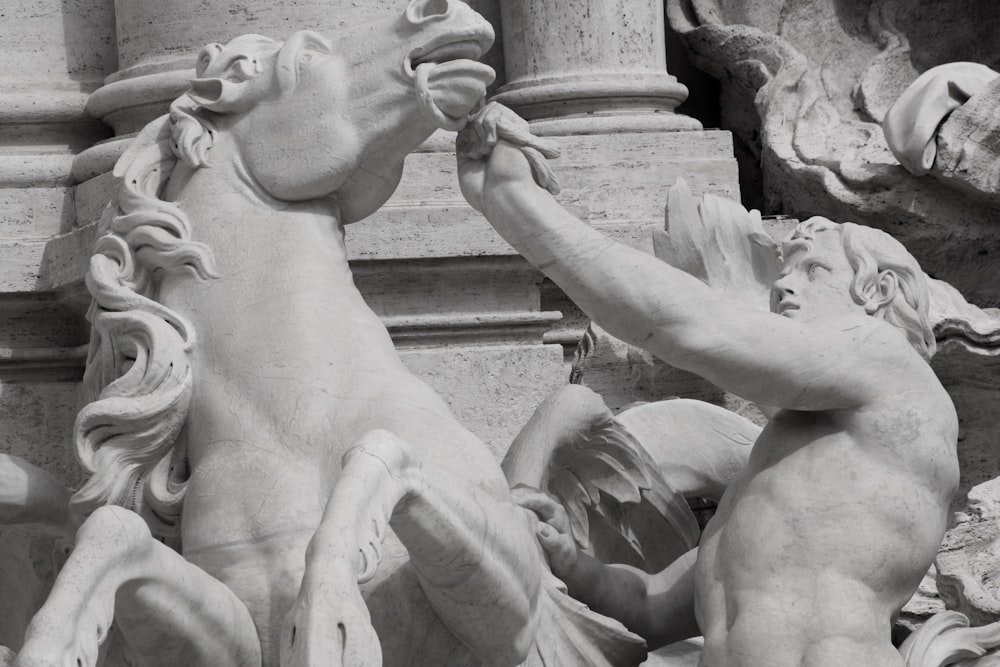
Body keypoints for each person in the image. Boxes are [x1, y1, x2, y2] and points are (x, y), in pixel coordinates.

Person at [457, 102, 960, 666]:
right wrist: (569, 560)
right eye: (782, 273)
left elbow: (691, 327)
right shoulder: (783, 476)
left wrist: (514, 203)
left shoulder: (889, 364)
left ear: (879, 292)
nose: (782, 287)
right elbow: (651, 608)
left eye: (811, 269)